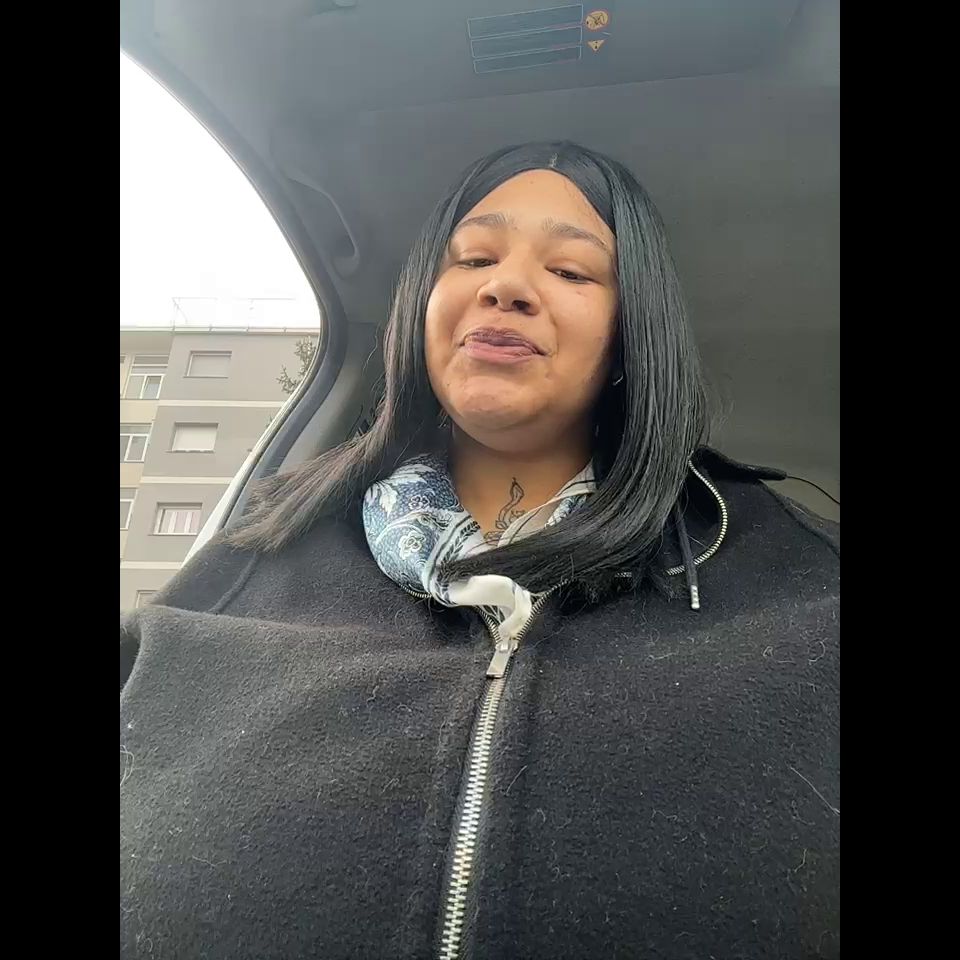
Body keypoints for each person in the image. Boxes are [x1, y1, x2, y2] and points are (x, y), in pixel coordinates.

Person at [120, 142, 839, 959]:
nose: (507, 286)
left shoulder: (807, 586)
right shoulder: (246, 565)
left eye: (570, 271)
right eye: (473, 258)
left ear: (628, 338)